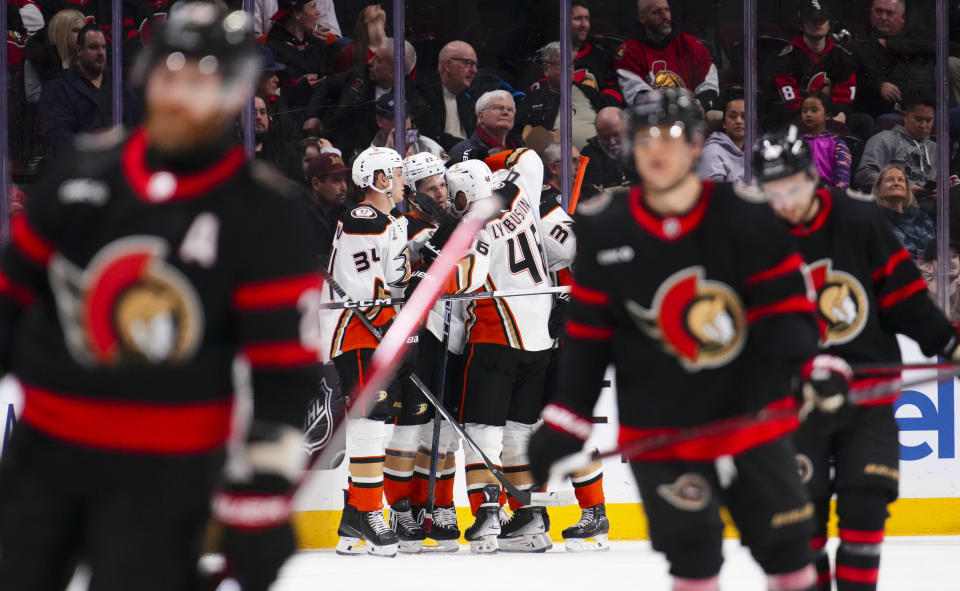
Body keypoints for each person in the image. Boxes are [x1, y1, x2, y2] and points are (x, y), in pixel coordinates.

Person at [0, 5, 323, 591]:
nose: (180, 95)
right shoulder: (82, 172)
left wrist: (264, 487)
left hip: (166, 472)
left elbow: (282, 373)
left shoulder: (266, 214)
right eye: (171, 74)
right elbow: (8, 302)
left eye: (202, 80)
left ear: (231, 93)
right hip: (45, 455)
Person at [528, 89, 843, 590]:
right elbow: (589, 338)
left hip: (751, 418)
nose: (659, 147)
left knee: (788, 558)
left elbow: (787, 312)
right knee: (693, 562)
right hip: (662, 430)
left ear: (697, 145)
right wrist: (567, 416)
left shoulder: (745, 214)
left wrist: (811, 368)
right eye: (646, 135)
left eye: (672, 135)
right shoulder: (603, 225)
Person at [753, 126, 960, 591]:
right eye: (773, 191)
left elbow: (905, 297)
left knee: (866, 504)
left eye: (791, 187)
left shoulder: (858, 221)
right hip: (793, 402)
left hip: (867, 391)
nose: (783, 200)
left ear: (811, 178)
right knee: (798, 518)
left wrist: (948, 342)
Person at [448, 147, 575, 554]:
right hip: (540, 336)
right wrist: (493, 155)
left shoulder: (475, 222)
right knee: (521, 430)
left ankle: (486, 517)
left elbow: (468, 281)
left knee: (482, 430)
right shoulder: (518, 189)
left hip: (496, 335)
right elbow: (532, 157)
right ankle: (528, 518)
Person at [390, 152, 491, 551]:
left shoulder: (460, 221)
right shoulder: (404, 225)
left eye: (441, 185)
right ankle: (413, 505)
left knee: (446, 429)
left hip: (459, 334)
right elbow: (406, 267)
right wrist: (429, 242)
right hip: (425, 335)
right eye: (429, 188)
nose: (438, 192)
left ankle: (442, 504)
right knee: (417, 429)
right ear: (413, 194)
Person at [319, 146, 409, 557]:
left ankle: (354, 520)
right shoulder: (363, 218)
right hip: (357, 332)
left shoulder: (385, 220)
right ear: (379, 180)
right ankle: (372, 511)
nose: (403, 180)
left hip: (371, 332)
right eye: (397, 173)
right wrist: (385, 316)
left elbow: (393, 276)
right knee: (369, 422)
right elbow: (362, 284)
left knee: (379, 421)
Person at [37, 22, 142, 156]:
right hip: (79, 166)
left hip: (118, 164)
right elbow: (56, 137)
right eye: (93, 47)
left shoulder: (122, 89)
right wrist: (96, 144)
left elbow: (139, 129)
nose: (100, 53)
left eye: (103, 47)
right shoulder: (59, 89)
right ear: (79, 51)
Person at [761, 0, 857, 129]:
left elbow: (845, 92)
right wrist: (815, 117)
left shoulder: (842, 56)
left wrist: (842, 113)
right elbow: (790, 100)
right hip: (798, 117)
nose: (817, 24)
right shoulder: (787, 58)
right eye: (812, 20)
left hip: (831, 116)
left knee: (864, 122)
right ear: (801, 25)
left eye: (821, 20)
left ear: (829, 25)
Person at [613, 0, 719, 110]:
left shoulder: (692, 45)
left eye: (667, 10)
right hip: (651, 118)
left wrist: (698, 106)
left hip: (693, 112)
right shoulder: (629, 51)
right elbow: (636, 94)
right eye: (657, 12)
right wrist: (670, 108)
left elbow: (708, 86)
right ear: (642, 18)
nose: (665, 16)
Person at [519, 41, 613, 150]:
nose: (568, 69)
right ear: (546, 69)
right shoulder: (533, 100)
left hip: (597, 159)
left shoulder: (589, 92)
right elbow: (518, 135)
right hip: (555, 163)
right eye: (561, 65)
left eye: (570, 64)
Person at [853, 0, 935, 121]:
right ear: (871, 12)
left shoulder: (918, 40)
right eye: (878, 11)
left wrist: (891, 45)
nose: (883, 17)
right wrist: (879, 85)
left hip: (919, 107)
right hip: (877, 110)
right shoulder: (858, 41)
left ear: (903, 17)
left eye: (890, 13)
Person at [855, 95, 936, 195]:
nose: (923, 125)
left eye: (929, 120)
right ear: (905, 116)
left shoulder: (936, 148)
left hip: (932, 204)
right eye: (918, 119)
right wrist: (901, 187)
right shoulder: (884, 139)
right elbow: (864, 175)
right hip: (893, 202)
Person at [263, 0, 331, 109]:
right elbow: (268, 95)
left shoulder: (318, 45)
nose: (318, 12)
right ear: (297, 14)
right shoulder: (271, 51)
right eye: (313, 7)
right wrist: (298, 89)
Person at [417, 40, 480, 152]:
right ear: (448, 65)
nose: (474, 70)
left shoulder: (468, 101)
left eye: (475, 65)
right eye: (468, 63)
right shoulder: (422, 95)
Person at [873, 164, 935, 258]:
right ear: (879, 190)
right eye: (890, 180)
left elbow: (935, 253)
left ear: (907, 189)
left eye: (901, 180)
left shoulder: (922, 219)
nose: (896, 183)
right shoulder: (873, 220)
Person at [571, 0, 623, 106]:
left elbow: (614, 97)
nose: (584, 24)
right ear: (562, 22)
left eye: (587, 19)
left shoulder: (601, 57)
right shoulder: (550, 58)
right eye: (577, 19)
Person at [370, 91, 448, 161]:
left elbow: (448, 169)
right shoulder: (371, 156)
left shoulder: (427, 145)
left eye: (406, 115)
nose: (404, 121)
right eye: (396, 117)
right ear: (379, 121)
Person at [304, 151, 350, 266]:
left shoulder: (348, 213)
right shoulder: (297, 214)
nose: (344, 187)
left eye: (344, 180)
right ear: (316, 184)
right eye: (336, 180)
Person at [448, 90, 521, 163]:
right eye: (498, 108)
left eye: (510, 110)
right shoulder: (464, 152)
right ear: (481, 116)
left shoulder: (521, 149)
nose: (506, 112)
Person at [799, 93, 852, 190]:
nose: (808, 114)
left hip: (827, 195)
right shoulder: (797, 143)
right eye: (804, 111)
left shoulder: (837, 143)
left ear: (827, 116)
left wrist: (836, 197)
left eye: (814, 110)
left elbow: (843, 179)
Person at [696, 92, 746, 183]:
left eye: (744, 116)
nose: (739, 121)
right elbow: (716, 194)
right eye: (732, 116)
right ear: (724, 123)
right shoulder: (712, 153)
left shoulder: (757, 150)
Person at [581, 106, 629, 194]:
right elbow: (593, 193)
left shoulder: (642, 147)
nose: (612, 142)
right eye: (604, 138)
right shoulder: (589, 153)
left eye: (616, 134)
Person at [253, 95, 301, 181]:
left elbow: (298, 190)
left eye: (263, 112)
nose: (258, 117)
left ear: (269, 118)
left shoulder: (286, 152)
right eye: (252, 113)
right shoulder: (229, 155)